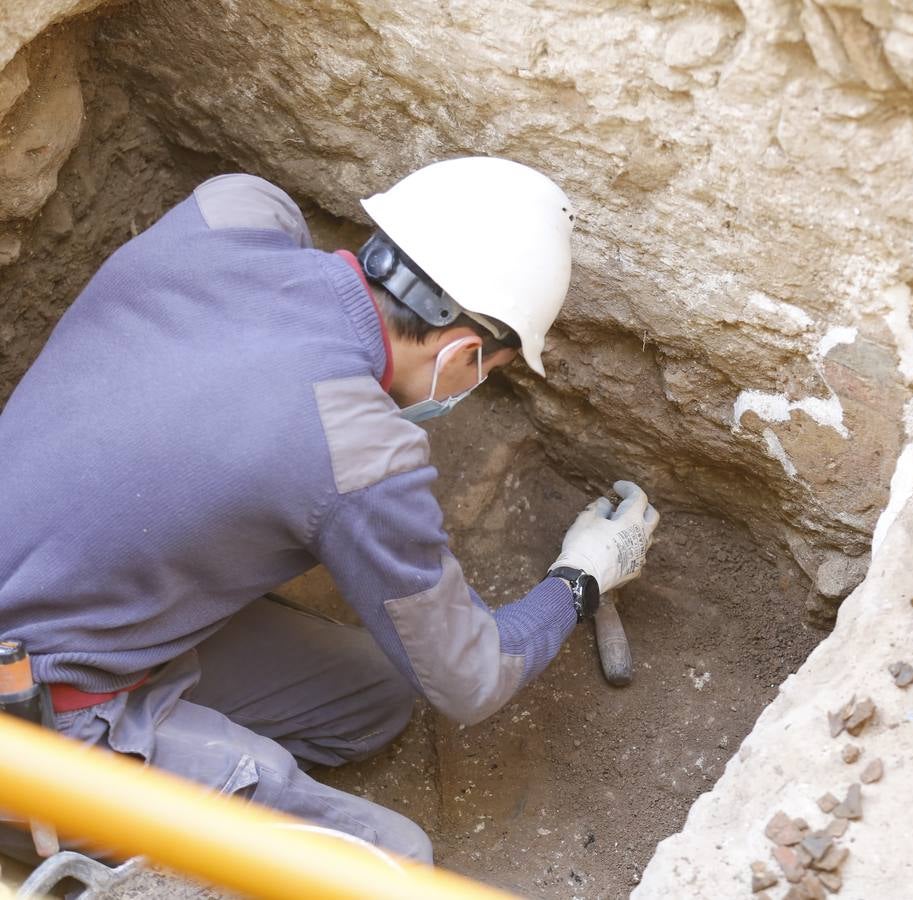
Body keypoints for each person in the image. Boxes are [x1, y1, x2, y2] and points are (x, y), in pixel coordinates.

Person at [0, 157, 659, 863]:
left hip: (59, 600)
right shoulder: (358, 451)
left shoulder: (229, 216)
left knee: (375, 697)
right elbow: (470, 676)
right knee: (390, 864)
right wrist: (579, 580)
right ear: (464, 350)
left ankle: (192, 762)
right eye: (487, 374)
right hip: (33, 734)